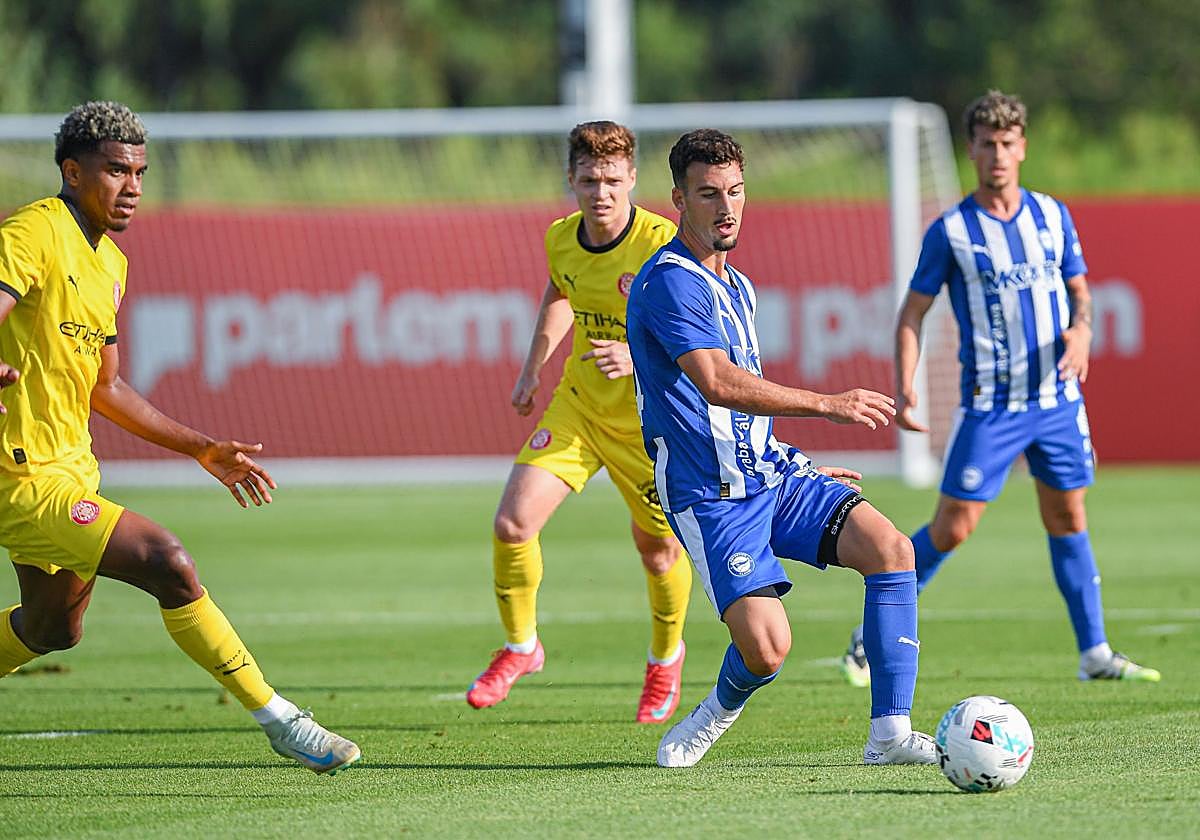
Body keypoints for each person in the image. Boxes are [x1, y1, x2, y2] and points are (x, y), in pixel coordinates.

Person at [0, 101, 360, 774]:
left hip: (71, 469)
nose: (132, 186)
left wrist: (199, 446)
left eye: (140, 172)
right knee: (168, 561)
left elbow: (106, 387)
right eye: (115, 171)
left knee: (52, 627)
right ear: (72, 172)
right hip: (22, 476)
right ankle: (281, 719)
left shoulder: (110, 265)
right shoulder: (35, 230)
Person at [626, 128, 937, 768]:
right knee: (768, 650)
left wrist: (792, 458)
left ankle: (890, 736)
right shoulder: (669, 284)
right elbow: (717, 384)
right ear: (678, 199)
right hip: (709, 497)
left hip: (772, 475)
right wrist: (829, 404)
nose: (727, 207)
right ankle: (714, 712)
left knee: (892, 549)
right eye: (709, 194)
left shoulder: (737, 285)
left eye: (736, 191)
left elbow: (740, 403)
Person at [839, 90, 1159, 687]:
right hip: (990, 406)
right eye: (987, 144)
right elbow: (912, 313)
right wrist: (905, 388)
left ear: (1023, 147)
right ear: (972, 150)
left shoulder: (1051, 215)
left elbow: (1081, 293)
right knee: (953, 527)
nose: (998, 155)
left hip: (1058, 403)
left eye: (1008, 143)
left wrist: (1083, 332)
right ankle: (867, 635)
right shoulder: (952, 231)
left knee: (1068, 515)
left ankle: (1094, 654)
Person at [466, 121, 693, 723]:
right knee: (513, 523)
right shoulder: (561, 239)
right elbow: (560, 291)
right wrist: (532, 367)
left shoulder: (662, 242)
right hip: (580, 408)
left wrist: (640, 355)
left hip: (650, 422)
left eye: (614, 181)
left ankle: (666, 658)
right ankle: (521, 647)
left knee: (659, 553)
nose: (602, 193)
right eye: (589, 180)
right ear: (570, 180)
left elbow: (702, 328)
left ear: (633, 180)